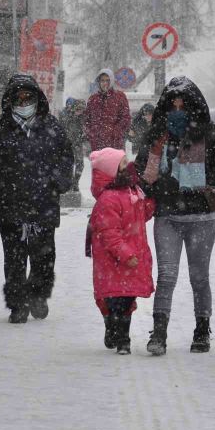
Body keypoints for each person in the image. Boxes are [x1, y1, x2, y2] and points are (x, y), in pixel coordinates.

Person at [135, 76, 215, 355]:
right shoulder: (156, 135)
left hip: (201, 218)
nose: (177, 111)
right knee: (166, 276)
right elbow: (142, 170)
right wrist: (161, 184)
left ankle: (202, 331)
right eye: (173, 106)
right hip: (167, 216)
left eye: (183, 106)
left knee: (199, 277)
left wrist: (200, 179)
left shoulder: (211, 134)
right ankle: (159, 333)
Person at [0, 74, 74, 323]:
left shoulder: (52, 126)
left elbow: (66, 157)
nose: (24, 101)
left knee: (43, 257)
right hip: (10, 203)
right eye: (19, 97)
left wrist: (57, 182)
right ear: (10, 99)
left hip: (43, 204)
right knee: (14, 259)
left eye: (29, 96)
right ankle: (17, 304)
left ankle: (38, 296)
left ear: (38, 98)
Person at [87, 147, 156, 354]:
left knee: (127, 300)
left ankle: (121, 337)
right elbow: (110, 234)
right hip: (114, 261)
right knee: (115, 299)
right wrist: (126, 254)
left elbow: (142, 214)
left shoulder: (132, 191)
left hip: (131, 256)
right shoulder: (108, 199)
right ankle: (115, 330)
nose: (130, 167)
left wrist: (152, 200)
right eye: (124, 164)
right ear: (112, 171)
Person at [83, 69, 131, 151]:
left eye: (108, 80)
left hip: (115, 144)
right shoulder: (93, 99)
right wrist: (92, 133)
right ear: (98, 82)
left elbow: (126, 118)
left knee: (115, 164)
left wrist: (116, 131)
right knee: (99, 164)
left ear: (112, 81)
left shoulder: (119, 97)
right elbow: (87, 120)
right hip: (97, 145)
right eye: (102, 80)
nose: (105, 83)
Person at [59, 97, 88, 191]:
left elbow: (83, 129)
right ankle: (69, 183)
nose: (80, 111)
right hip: (67, 144)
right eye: (78, 109)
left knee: (80, 163)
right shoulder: (65, 114)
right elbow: (63, 127)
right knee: (69, 164)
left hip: (77, 143)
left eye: (81, 110)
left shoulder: (80, 117)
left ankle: (75, 183)